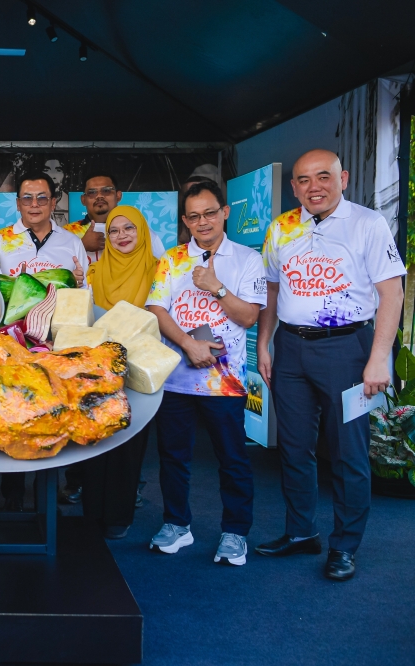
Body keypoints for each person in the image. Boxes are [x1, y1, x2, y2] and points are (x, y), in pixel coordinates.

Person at [254, 149, 405, 581]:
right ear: (293, 187)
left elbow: (391, 293)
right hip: (292, 347)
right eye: (303, 180)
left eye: (323, 177)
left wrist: (380, 358)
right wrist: (264, 343)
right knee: (295, 447)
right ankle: (301, 532)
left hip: (349, 349)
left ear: (344, 177)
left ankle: (344, 546)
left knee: (348, 452)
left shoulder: (368, 224)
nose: (313, 187)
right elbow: (271, 289)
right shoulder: (282, 227)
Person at [146, 179, 266, 566]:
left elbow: (249, 316)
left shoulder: (247, 259)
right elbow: (156, 310)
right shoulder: (172, 258)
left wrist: (215, 287)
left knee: (232, 459)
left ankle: (235, 533)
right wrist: (189, 345)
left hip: (226, 382)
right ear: (185, 220)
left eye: (210, 213)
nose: (203, 222)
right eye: (194, 216)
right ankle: (177, 525)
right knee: (173, 456)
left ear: (225, 212)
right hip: (177, 378)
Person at [0, 171, 87, 510]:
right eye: (27, 198)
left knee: (52, 412)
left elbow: (82, 293)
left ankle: (49, 494)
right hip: (11, 345)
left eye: (42, 197)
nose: (34, 204)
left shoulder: (71, 241)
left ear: (53, 202)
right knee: (13, 413)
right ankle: (11, 495)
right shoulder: (0, 240)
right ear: (17, 203)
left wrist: (80, 282)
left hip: (55, 345)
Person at [68, 206, 159, 538]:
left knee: (129, 439)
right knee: (97, 437)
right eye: (114, 231)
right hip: (99, 367)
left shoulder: (159, 269)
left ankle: (118, 516)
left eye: (128, 229)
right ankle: (94, 512)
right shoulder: (94, 272)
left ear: (142, 232)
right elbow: (84, 316)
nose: (121, 236)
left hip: (140, 365)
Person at [63, 172, 166, 264]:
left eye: (106, 190)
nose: (99, 196)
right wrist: (82, 245)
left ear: (118, 196)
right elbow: (53, 267)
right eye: (92, 192)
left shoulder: (141, 231)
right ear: (83, 200)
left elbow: (162, 269)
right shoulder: (67, 233)